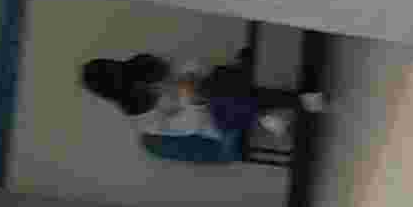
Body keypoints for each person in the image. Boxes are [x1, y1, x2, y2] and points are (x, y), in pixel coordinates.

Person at [82, 49, 319, 167]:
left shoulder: (143, 65)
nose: (141, 85)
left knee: (220, 81)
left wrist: (189, 75)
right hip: (215, 124)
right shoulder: (143, 120)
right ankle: (287, 105)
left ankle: (270, 113)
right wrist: (189, 98)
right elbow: (189, 126)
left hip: (213, 91)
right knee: (222, 94)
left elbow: (189, 63)